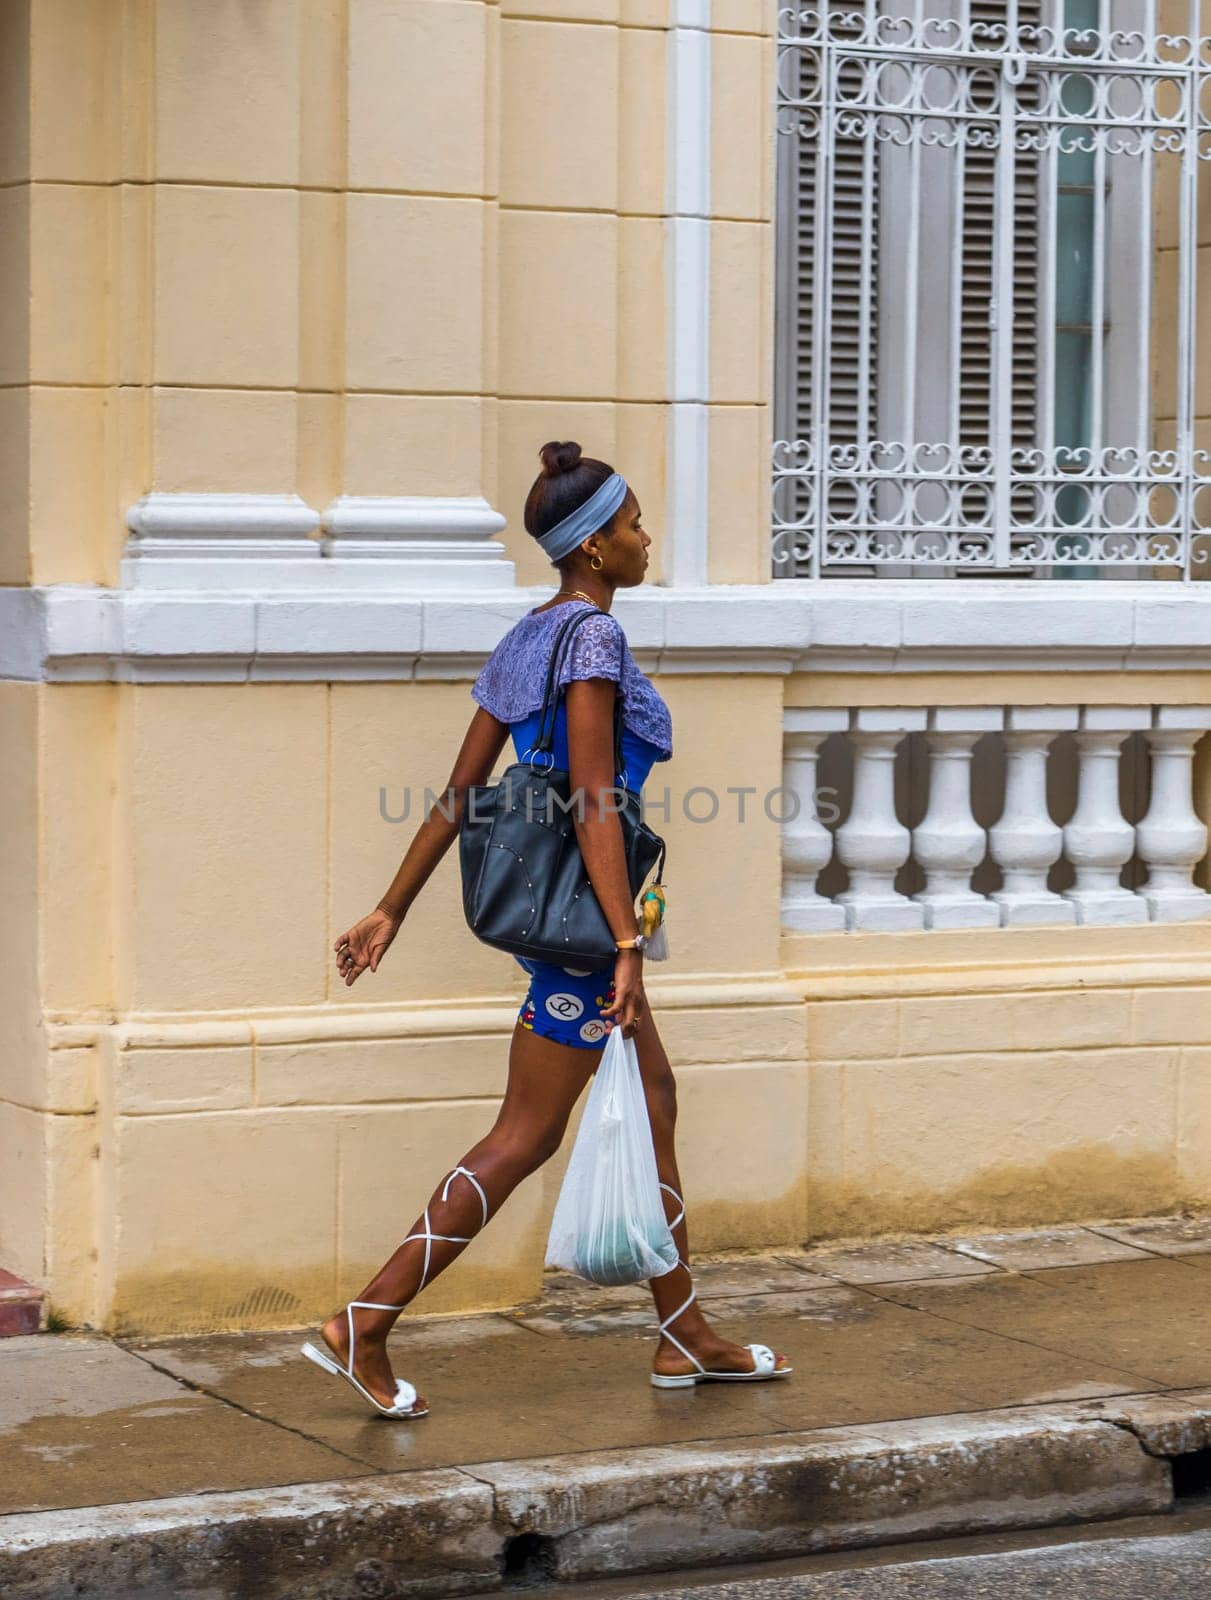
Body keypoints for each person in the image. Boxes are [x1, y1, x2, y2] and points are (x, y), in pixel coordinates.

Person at [300, 441, 793, 1418]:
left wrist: (391, 906)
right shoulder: (594, 641)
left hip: (572, 918)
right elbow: (595, 802)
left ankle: (680, 1331)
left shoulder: (527, 635)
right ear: (595, 548)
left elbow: (457, 794)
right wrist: (622, 944)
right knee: (522, 1135)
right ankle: (367, 1317)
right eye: (633, 523)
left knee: (652, 1097)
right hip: (582, 926)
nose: (645, 538)